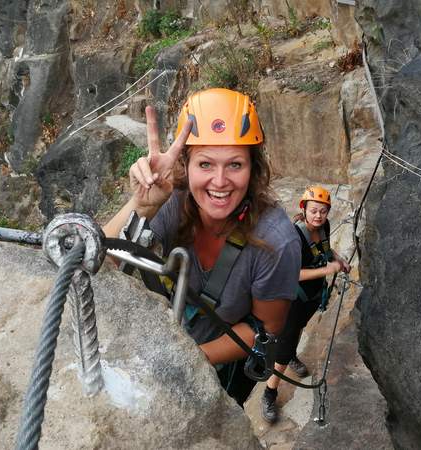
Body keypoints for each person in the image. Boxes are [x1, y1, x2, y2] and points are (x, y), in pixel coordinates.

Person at [102, 88, 301, 405]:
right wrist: (140, 206)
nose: (220, 182)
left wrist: (188, 358)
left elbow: (266, 329)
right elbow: (95, 263)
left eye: (235, 165)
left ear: (253, 168)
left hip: (222, 365)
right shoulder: (174, 201)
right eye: (205, 164)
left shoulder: (277, 241)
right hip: (172, 338)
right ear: (186, 164)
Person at [260, 185, 350, 423]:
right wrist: (326, 269)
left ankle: (290, 357)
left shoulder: (324, 227)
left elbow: (325, 249)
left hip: (310, 297)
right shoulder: (295, 237)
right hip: (292, 298)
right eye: (313, 211)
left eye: (322, 211)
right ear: (304, 209)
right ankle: (269, 393)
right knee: (285, 344)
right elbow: (291, 273)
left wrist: (338, 259)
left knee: (298, 329)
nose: (318, 215)